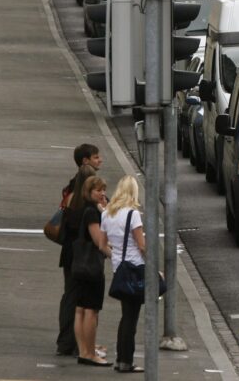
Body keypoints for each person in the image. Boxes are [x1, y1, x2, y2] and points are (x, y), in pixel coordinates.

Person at [57, 144, 103, 356]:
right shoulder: (89, 206)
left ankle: (69, 342)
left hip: (69, 253)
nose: (100, 160)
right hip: (85, 256)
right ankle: (79, 345)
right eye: (96, 157)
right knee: (85, 304)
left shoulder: (69, 192)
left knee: (71, 298)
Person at [100, 175, 146, 374]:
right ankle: (125, 360)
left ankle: (122, 359)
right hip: (135, 268)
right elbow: (142, 245)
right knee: (131, 317)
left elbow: (102, 245)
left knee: (126, 315)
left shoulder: (106, 214)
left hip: (119, 269)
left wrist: (117, 258)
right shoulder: (132, 215)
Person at [73, 175, 112, 367]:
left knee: (80, 309)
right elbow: (99, 242)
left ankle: (83, 351)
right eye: (98, 190)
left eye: (104, 189)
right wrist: (116, 256)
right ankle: (89, 353)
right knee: (91, 311)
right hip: (92, 268)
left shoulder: (86, 209)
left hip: (79, 266)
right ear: (89, 192)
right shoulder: (92, 213)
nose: (102, 193)